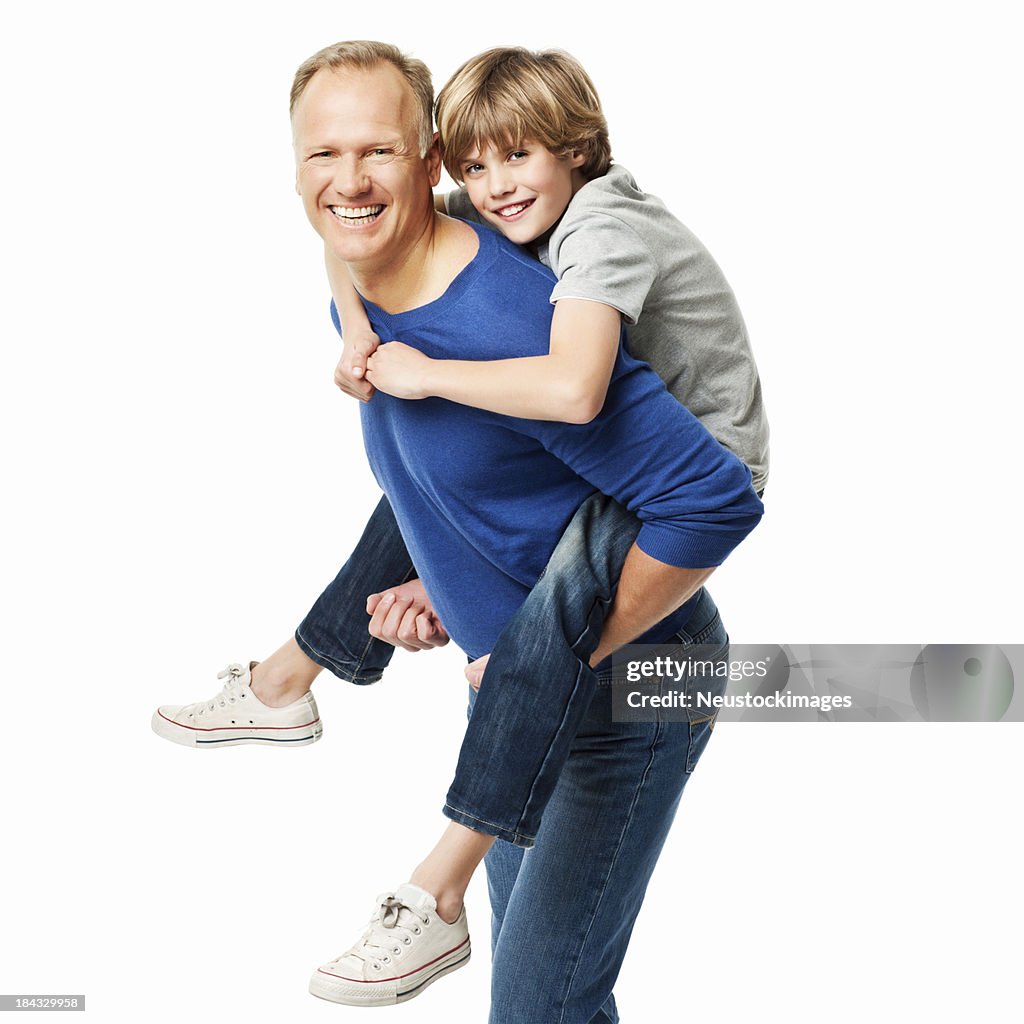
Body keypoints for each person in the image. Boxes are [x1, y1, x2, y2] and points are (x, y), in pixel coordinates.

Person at [152, 41, 763, 1021]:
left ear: (421, 160)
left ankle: (431, 885)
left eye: (378, 155)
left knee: (539, 1008)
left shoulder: (534, 318)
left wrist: (542, 656)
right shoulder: (377, 261)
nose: (348, 183)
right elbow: (489, 478)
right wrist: (452, 581)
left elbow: (713, 498)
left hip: (629, 685)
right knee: (540, 1002)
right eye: (323, 156)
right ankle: (293, 676)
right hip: (518, 688)